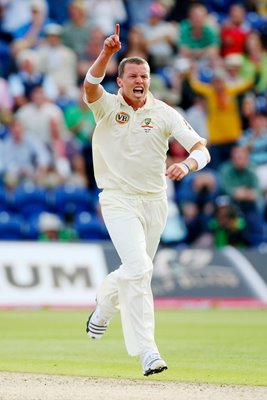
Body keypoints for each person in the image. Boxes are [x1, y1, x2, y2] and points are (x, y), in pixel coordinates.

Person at [83, 24, 210, 376]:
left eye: (145, 75)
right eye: (133, 76)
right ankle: (148, 352)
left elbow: (202, 149)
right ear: (121, 81)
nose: (140, 81)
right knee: (141, 270)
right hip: (118, 199)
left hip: (155, 203)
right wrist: (107, 53)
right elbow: (91, 86)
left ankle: (104, 307)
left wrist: (187, 164)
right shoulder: (107, 107)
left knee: (134, 272)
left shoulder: (164, 112)